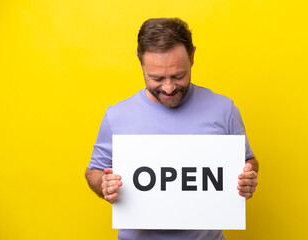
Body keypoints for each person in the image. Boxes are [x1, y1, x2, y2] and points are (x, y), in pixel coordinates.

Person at [85, 17, 258, 240]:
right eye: (156, 78)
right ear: (140, 61)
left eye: (178, 76)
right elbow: (94, 171)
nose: (168, 88)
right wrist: (104, 184)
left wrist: (248, 177)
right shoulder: (116, 115)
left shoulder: (224, 109)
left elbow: (248, 160)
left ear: (192, 56)